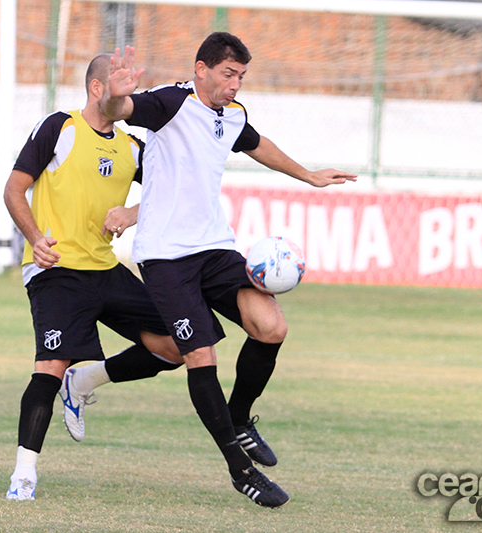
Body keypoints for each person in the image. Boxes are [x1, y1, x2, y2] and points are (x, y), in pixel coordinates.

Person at [99, 33, 357, 508]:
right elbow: (120, 113)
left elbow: (258, 144)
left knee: (271, 327)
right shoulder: (171, 102)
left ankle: (239, 419)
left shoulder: (232, 115)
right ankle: (242, 473)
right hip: (165, 257)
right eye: (227, 74)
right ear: (202, 69)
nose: (235, 84)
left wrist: (310, 175)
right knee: (199, 357)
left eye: (240, 76)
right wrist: (117, 92)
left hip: (214, 248)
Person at [3, 54, 183, 501]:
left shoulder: (131, 147)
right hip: (56, 269)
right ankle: (24, 475)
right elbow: (13, 188)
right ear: (97, 89)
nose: (126, 103)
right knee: (50, 363)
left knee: (179, 345)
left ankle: (85, 382)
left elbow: (172, 196)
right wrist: (34, 237)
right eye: (119, 92)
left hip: (105, 268)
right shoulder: (58, 127)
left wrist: (133, 212)